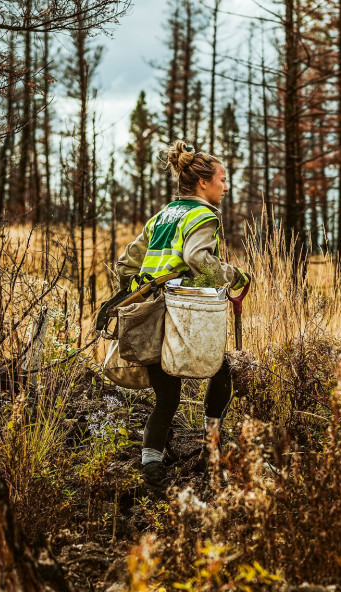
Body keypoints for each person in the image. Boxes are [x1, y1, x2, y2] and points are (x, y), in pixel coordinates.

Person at [115, 141, 249, 489]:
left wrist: (137, 293)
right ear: (203, 183)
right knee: (220, 371)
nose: (226, 185)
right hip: (184, 317)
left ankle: (151, 467)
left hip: (150, 317)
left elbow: (126, 263)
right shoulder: (204, 215)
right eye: (222, 178)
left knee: (167, 396)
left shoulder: (163, 215)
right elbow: (197, 259)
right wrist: (231, 276)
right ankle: (212, 444)